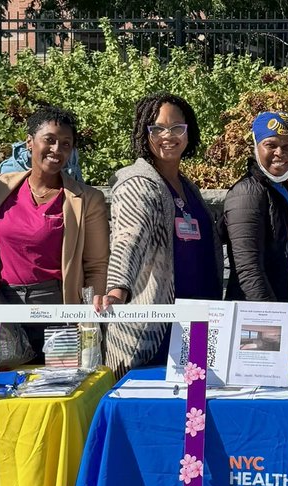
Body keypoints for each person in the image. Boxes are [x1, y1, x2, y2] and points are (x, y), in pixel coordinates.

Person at [95, 93, 224, 374]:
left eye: (177, 127)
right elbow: (128, 239)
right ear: (145, 132)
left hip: (199, 321)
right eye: (157, 128)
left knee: (197, 408)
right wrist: (117, 290)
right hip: (158, 325)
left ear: (189, 132)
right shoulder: (138, 182)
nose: (169, 136)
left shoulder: (188, 186)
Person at [0, 105, 110, 356]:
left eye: (65, 144)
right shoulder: (1, 189)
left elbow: (96, 265)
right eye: (49, 140)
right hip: (2, 305)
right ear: (29, 142)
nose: (57, 150)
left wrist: (88, 320)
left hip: (57, 308)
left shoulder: (86, 199)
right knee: (2, 387)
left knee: (58, 385)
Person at [222, 111, 288, 365]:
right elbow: (248, 270)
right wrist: (273, 328)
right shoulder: (246, 193)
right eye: (271, 145)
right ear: (255, 147)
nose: (281, 152)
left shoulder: (282, 190)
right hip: (263, 325)